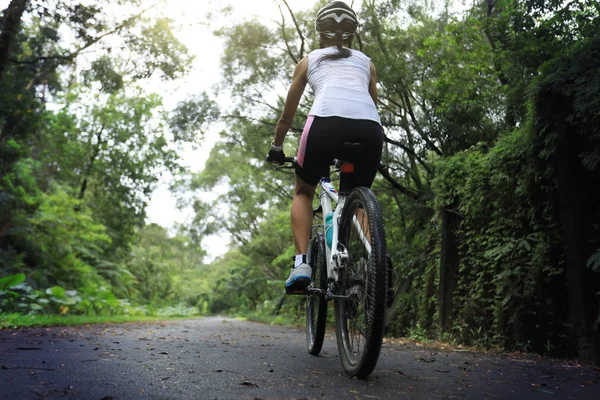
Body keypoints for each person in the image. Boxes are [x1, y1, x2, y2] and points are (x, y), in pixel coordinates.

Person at [267, 1, 384, 294]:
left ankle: (301, 263)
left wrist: (277, 147)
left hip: (324, 125)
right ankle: (377, 263)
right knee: (358, 201)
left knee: (303, 190)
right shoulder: (366, 62)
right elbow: (372, 104)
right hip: (369, 129)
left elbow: (287, 115)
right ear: (352, 34)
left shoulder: (309, 60)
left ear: (320, 33)